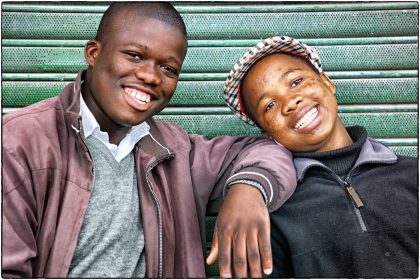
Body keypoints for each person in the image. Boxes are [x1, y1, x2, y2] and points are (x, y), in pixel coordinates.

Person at [1, 4, 297, 278]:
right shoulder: (20, 141)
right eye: (134, 55)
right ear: (93, 53)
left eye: (168, 68)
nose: (151, 76)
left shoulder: (177, 151)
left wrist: (249, 190)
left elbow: (266, 150)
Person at [223, 35, 418, 278]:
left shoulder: (413, 174)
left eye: (295, 82)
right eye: (269, 105)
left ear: (327, 82)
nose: (290, 102)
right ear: (266, 132)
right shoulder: (273, 215)